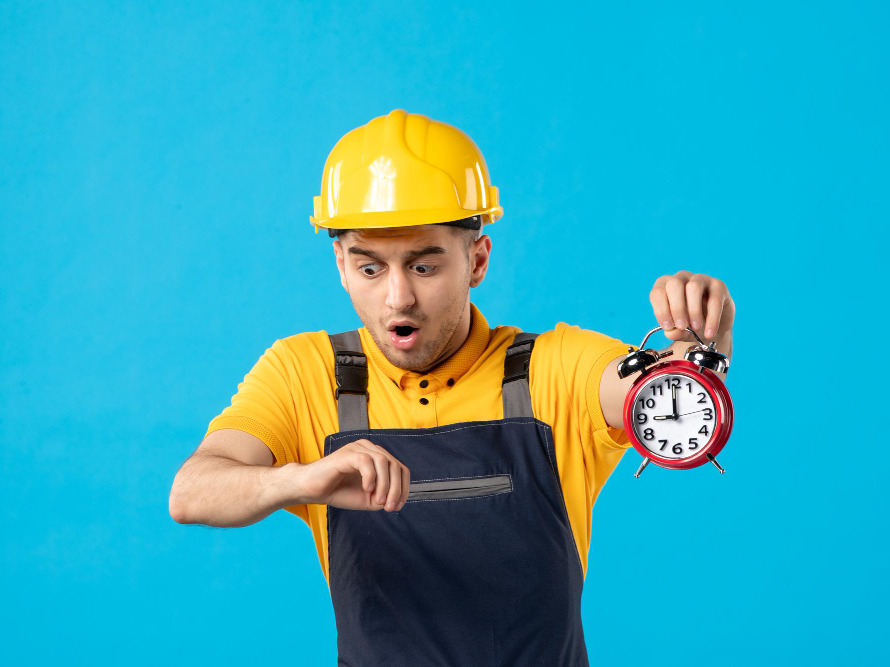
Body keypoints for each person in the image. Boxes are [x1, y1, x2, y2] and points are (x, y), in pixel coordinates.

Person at [169, 109, 735, 666]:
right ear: (340, 264)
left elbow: (660, 391)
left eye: (423, 267)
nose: (397, 299)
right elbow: (192, 492)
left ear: (477, 258)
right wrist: (299, 479)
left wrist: (693, 349)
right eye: (370, 268)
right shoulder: (305, 373)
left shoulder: (553, 368)